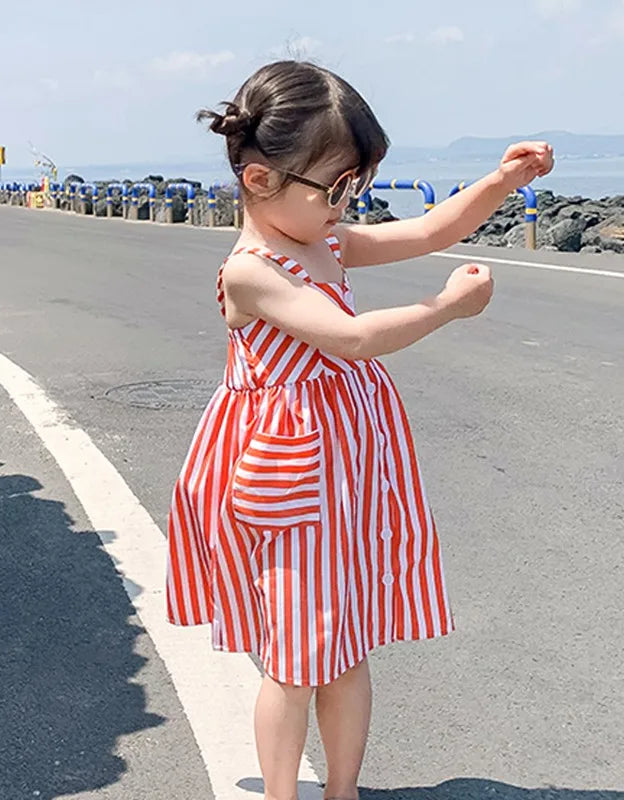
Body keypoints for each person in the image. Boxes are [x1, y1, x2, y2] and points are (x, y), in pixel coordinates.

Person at [165, 60, 554, 800]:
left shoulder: (325, 239)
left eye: (357, 187)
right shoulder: (251, 268)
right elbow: (348, 339)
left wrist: (504, 181)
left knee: (343, 646)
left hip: (342, 475)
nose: (349, 204)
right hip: (289, 479)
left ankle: (341, 791)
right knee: (294, 657)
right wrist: (444, 310)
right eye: (337, 187)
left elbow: (434, 227)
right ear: (260, 181)